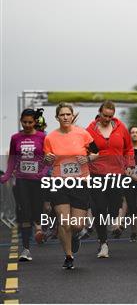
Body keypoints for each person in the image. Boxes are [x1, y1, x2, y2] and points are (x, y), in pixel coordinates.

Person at [43, 102, 97, 269]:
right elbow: (46, 159)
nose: (65, 117)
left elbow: (96, 152)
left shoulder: (83, 134)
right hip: (59, 182)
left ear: (72, 116)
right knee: (64, 222)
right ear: (57, 117)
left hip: (80, 182)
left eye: (68, 114)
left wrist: (87, 158)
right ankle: (68, 256)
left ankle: (75, 236)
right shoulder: (50, 137)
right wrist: (47, 159)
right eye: (62, 115)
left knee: (77, 225)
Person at [86, 101, 134, 258]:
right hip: (97, 173)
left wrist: (129, 164)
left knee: (113, 207)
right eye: (104, 115)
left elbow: (129, 149)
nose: (107, 119)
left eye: (110, 116)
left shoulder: (121, 129)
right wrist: (88, 157)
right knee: (99, 208)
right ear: (99, 113)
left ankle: (113, 222)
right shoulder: (90, 130)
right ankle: (103, 243)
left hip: (116, 173)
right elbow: (83, 149)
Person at [0, 108, 49, 261]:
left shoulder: (42, 137)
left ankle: (40, 228)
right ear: (21, 121)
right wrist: (6, 176)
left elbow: (49, 159)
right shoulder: (15, 138)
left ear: (35, 122)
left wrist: (43, 173)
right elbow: (12, 160)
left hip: (38, 180)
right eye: (24, 122)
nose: (27, 125)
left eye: (30, 122)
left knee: (37, 208)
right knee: (25, 212)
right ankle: (26, 249)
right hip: (22, 180)